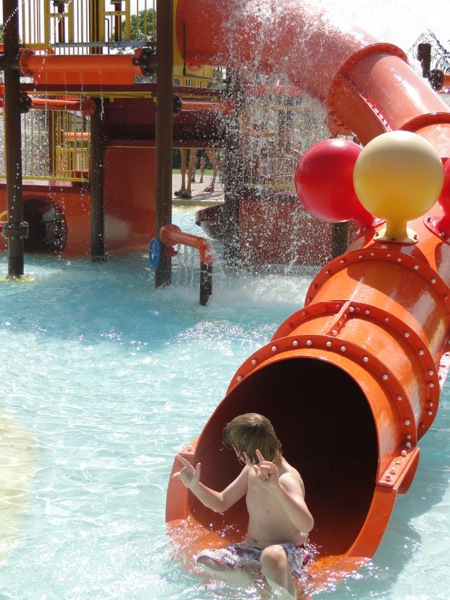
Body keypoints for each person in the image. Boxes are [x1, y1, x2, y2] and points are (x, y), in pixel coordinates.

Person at [173, 413, 314, 598]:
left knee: (270, 556)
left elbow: (306, 524)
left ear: (246, 451)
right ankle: (260, 583)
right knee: (205, 560)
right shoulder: (251, 470)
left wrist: (276, 489)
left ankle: (288, 593)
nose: (237, 455)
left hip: (284, 553)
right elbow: (221, 502)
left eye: (237, 450)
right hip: (251, 551)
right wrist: (195, 486)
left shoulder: (287, 478)